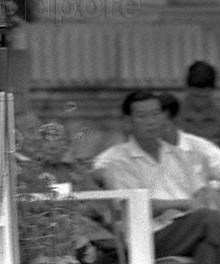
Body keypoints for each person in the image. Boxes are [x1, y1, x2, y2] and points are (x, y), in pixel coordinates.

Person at [94, 90, 220, 263]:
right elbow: (136, 207)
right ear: (128, 122)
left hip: (190, 229)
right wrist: (185, 203)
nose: (151, 122)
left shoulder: (180, 155)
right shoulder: (117, 161)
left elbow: (199, 193)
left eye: (155, 114)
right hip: (147, 237)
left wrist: (207, 195)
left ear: (164, 118)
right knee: (209, 219)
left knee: (208, 247)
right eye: (143, 116)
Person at [179, 60, 220, 147]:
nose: (200, 102)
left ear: (213, 90)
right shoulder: (173, 112)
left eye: (205, 96)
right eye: (196, 96)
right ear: (186, 88)